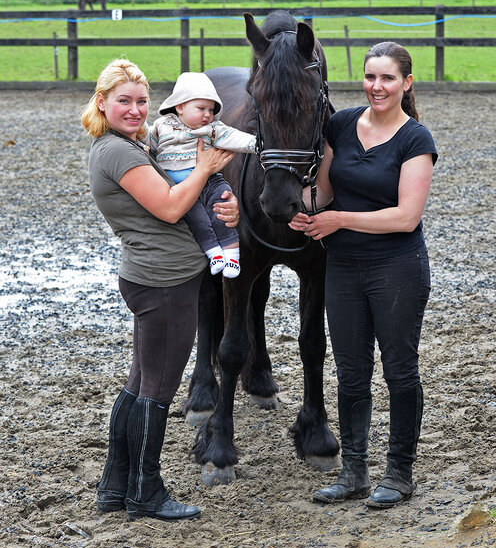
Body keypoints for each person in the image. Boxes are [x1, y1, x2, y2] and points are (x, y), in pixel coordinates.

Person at [80, 59, 239, 522]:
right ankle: (146, 492)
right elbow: (170, 207)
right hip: (163, 281)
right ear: (102, 103)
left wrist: (223, 207)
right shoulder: (119, 152)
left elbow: (183, 194)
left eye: (141, 101)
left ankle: (115, 486)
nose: (134, 110)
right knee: (159, 390)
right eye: (123, 101)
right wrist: (206, 164)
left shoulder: (129, 143)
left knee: (138, 385)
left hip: (153, 276)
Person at [290, 41, 437, 509]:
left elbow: (406, 217)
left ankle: (399, 472)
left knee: (399, 370)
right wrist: (303, 208)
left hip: (397, 267)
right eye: (371, 77)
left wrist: (338, 221)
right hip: (345, 267)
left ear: (406, 83)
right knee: (351, 373)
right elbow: (325, 189)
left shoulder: (416, 140)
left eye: (388, 78)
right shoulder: (340, 124)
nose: (377, 87)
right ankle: (353, 471)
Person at [146, 72, 256, 279]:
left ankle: (232, 255)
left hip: (209, 183)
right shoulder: (162, 126)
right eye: (201, 108)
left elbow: (234, 137)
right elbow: (147, 142)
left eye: (211, 110)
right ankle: (214, 253)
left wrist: (258, 144)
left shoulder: (212, 129)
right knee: (198, 220)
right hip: (180, 188)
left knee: (220, 211)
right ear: (180, 106)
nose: (207, 115)